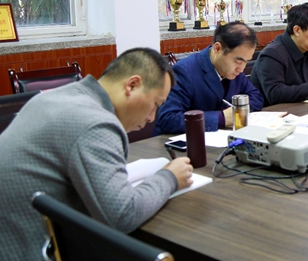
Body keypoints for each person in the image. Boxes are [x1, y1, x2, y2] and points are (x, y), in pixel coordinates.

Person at [0, 48, 193, 261]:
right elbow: (123, 215)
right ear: (132, 85)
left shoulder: (60, 96)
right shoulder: (95, 122)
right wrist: (170, 177)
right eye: (156, 104)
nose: (152, 118)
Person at [155, 21, 263, 134]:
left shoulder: (235, 72)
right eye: (238, 61)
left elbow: (256, 97)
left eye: (246, 62)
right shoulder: (184, 71)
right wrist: (221, 118)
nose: (241, 69)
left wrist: (238, 111)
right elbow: (168, 118)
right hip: (183, 141)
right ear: (217, 49)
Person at [250, 2, 308, 105]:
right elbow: (275, 93)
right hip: (277, 113)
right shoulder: (272, 54)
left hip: (306, 108)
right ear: (297, 30)